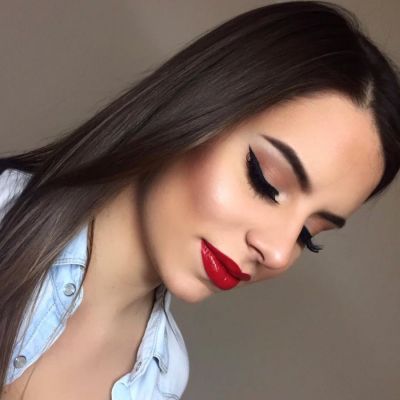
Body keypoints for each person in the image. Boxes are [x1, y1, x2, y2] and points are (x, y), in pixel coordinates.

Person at [1, 1, 399, 399]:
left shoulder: (163, 378)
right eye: (264, 181)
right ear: (196, 111)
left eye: (307, 236)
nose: (278, 254)